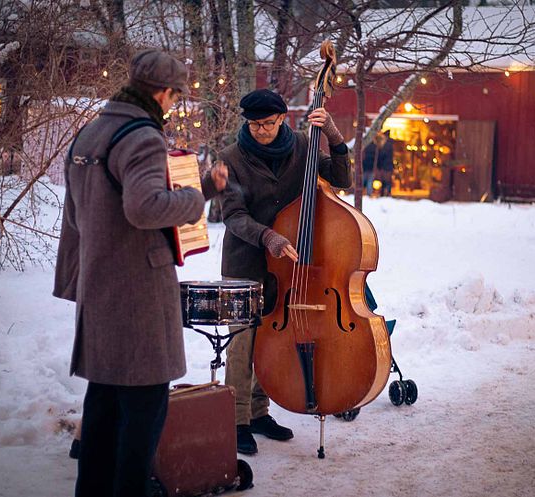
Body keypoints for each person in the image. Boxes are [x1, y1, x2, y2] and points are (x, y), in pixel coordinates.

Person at [53, 48, 227, 497]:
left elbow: (75, 216)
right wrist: (195, 197)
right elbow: (146, 206)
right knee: (144, 409)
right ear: (164, 93)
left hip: (99, 288)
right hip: (138, 297)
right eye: (174, 96)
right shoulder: (143, 137)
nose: (172, 105)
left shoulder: (90, 133)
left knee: (104, 407)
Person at [217, 89, 352, 455]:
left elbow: (342, 179)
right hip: (245, 264)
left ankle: (260, 413)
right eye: (254, 124)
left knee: (272, 340)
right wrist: (268, 237)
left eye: (268, 123)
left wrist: (335, 136)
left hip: (290, 268)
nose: (261, 130)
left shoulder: (305, 146)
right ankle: (237, 421)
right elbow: (233, 216)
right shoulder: (230, 158)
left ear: (282, 120)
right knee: (241, 345)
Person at [376, 130, 394, 197]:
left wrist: (379, 165)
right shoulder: (390, 144)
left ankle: (384, 193)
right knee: (388, 180)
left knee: (385, 180)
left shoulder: (386, 145)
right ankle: (387, 192)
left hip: (385, 166)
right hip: (388, 165)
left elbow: (382, 155)